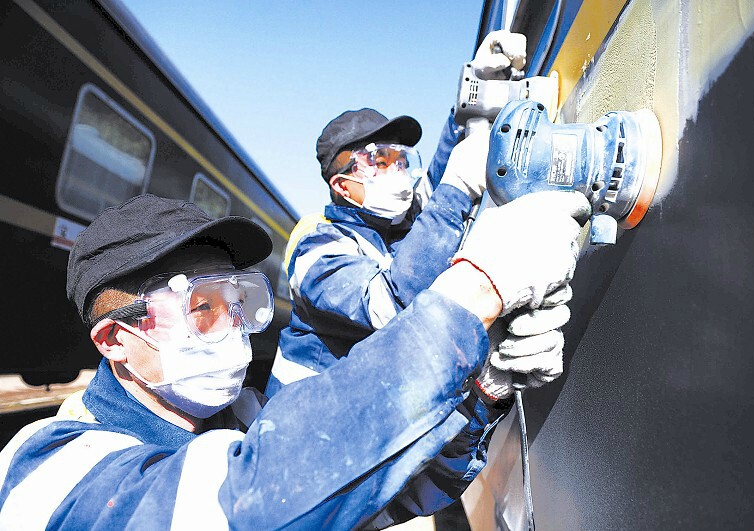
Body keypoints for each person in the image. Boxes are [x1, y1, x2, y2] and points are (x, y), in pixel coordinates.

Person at [0, 191, 589, 529]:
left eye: (240, 301)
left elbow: (385, 491)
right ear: (114, 339)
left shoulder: (245, 417)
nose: (234, 327)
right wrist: (474, 293)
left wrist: (484, 390)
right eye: (203, 307)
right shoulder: (45, 470)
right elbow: (249, 507)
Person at [266, 30, 552, 405]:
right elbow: (392, 305)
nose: (398, 172)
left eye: (401, 160)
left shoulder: (396, 225)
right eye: (379, 161)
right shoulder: (316, 249)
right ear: (344, 186)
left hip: (372, 418)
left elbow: (439, 178)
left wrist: (473, 93)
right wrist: (458, 187)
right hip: (302, 425)